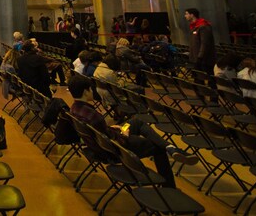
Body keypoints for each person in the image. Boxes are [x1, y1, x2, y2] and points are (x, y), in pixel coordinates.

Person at [67, 75, 197, 188]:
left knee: (136, 121)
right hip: (119, 148)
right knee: (157, 147)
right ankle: (169, 185)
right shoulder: (93, 117)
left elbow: (102, 133)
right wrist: (122, 134)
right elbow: (110, 139)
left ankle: (170, 147)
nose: (93, 91)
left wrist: (113, 129)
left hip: (106, 142)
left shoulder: (74, 109)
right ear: (86, 91)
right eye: (91, 89)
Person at [185, 8, 215, 74]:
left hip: (204, 59)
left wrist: (200, 57)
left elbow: (204, 43)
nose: (185, 16)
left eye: (186, 14)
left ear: (192, 15)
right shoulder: (193, 26)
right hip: (196, 58)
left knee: (209, 78)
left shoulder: (203, 26)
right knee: (198, 78)